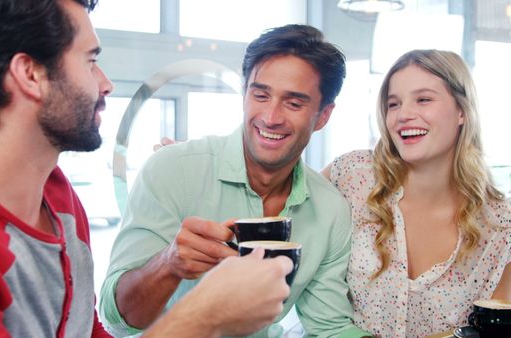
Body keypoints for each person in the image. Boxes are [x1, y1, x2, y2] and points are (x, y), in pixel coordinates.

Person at [0, 0, 294, 337]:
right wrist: (204, 317)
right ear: (30, 74)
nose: (106, 83)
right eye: (90, 60)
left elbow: (83, 329)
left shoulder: (58, 199)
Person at [100, 24, 371, 338]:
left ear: (323, 115)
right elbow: (117, 319)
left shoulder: (330, 209)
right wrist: (169, 263)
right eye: (260, 95)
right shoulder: (172, 169)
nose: (271, 117)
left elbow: (329, 327)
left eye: (294, 103)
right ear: (245, 95)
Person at [322, 49, 511, 337]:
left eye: (423, 99)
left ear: (462, 110)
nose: (403, 115)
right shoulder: (352, 175)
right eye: (393, 104)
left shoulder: (501, 226)